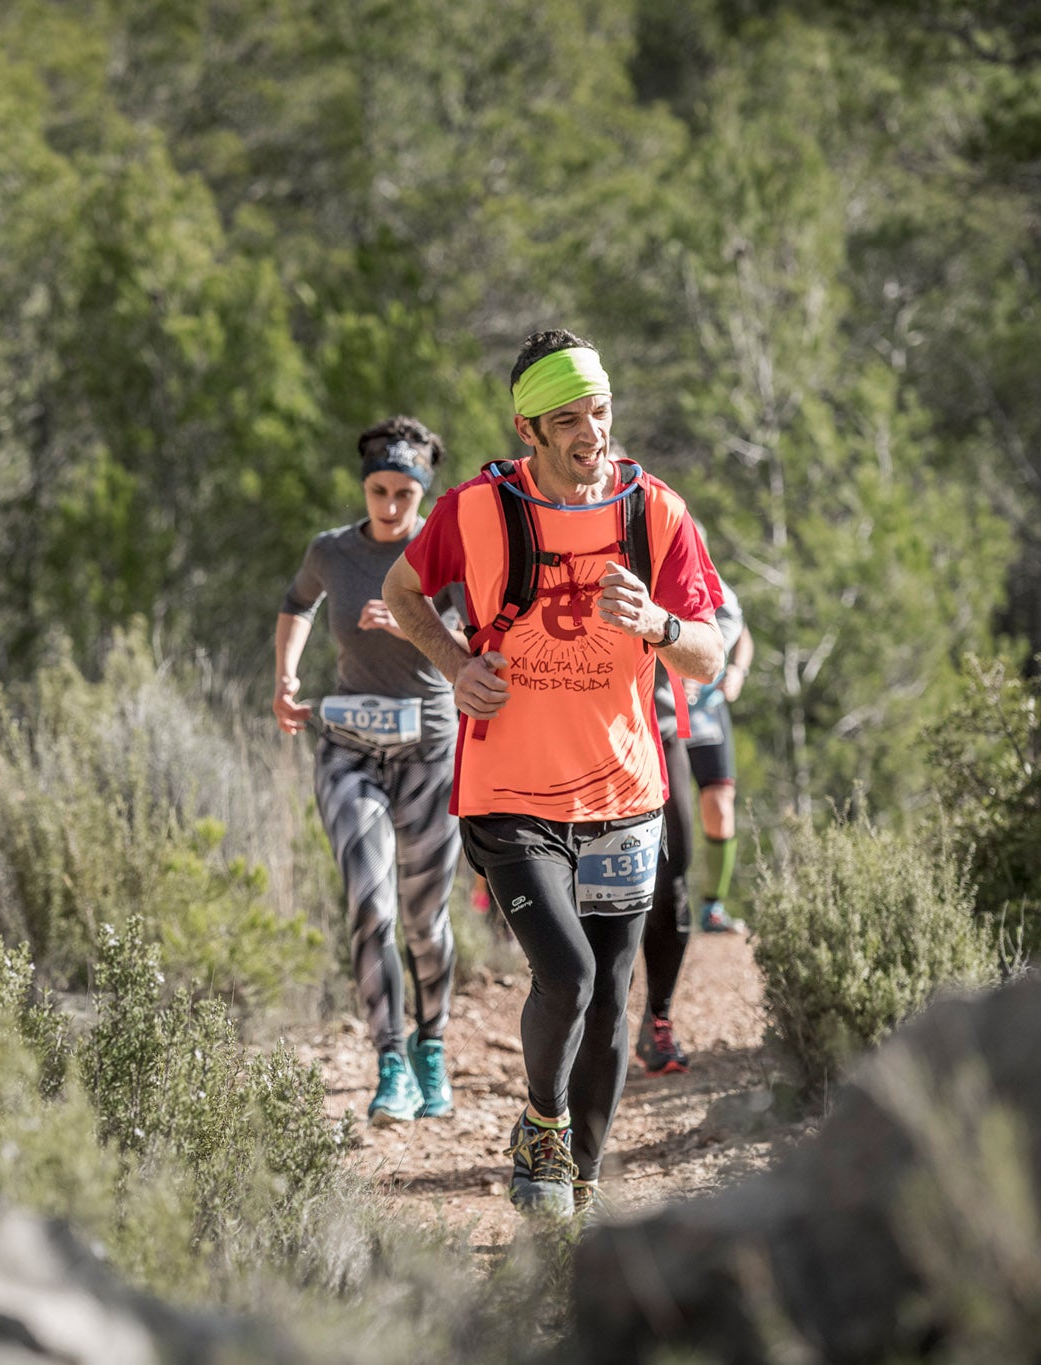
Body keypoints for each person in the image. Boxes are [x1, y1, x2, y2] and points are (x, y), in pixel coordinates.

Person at [383, 329, 728, 1219]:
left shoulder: (657, 513)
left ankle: (580, 1183)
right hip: (508, 793)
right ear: (527, 427)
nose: (590, 432)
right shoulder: (477, 511)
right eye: (567, 418)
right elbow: (401, 591)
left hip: (623, 795)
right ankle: (541, 1120)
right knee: (568, 973)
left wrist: (655, 622)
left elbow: (709, 650)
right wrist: (456, 665)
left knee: (613, 996)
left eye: (600, 410)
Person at [275, 416, 465, 1122]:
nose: (390, 505)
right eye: (379, 490)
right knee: (369, 905)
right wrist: (285, 678)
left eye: (403, 494)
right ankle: (390, 1059)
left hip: (431, 749)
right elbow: (296, 602)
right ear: (365, 486)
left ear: (423, 493)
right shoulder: (332, 552)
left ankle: (432, 1044)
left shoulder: (445, 553)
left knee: (423, 918)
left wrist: (418, 621)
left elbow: (478, 637)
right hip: (350, 743)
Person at [635, 602, 746, 1078]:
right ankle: (585, 1021)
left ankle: (658, 1014)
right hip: (597, 732)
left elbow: (735, 625)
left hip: (682, 721)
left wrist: (733, 669)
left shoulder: (682, 543)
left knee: (672, 872)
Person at [687, 621, 754, 936]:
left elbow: (741, 631)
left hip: (706, 712)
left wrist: (738, 671)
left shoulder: (714, 581)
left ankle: (712, 909)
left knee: (719, 806)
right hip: (658, 710)